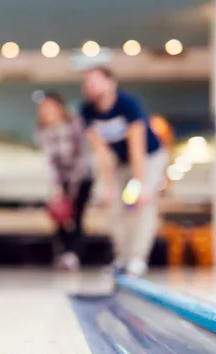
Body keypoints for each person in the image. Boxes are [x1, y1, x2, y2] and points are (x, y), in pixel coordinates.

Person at [80, 66, 168, 276]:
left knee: (143, 205)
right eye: (87, 83)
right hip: (119, 162)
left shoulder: (127, 104)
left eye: (95, 81)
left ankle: (137, 258)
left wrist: (141, 185)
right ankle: (122, 257)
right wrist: (108, 186)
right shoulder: (87, 111)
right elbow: (101, 152)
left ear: (111, 83)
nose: (90, 87)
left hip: (148, 158)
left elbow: (136, 147)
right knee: (115, 207)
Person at [34, 91, 94, 270]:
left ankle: (73, 253)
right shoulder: (42, 131)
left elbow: (82, 156)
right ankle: (63, 251)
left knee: (76, 215)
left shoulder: (75, 125)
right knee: (59, 215)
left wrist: (72, 188)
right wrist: (57, 188)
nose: (46, 112)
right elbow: (50, 161)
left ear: (59, 108)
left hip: (82, 176)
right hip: (61, 178)